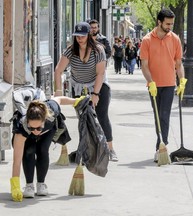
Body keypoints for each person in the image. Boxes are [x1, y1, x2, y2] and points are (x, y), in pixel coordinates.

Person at [54, 22, 118, 162]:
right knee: (83, 119)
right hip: (79, 87)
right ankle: (86, 149)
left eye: (82, 36)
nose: (79, 39)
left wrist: (95, 94)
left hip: (98, 85)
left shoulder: (98, 50)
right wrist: (58, 91)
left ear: (89, 34)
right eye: (77, 36)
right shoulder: (71, 50)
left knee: (101, 116)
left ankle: (110, 149)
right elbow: (58, 70)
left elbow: (100, 73)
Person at [10, 96, 81, 202]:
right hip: (27, 135)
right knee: (29, 151)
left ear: (44, 119)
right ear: (27, 123)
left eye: (38, 128)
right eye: (32, 128)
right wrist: (15, 186)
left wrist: (77, 101)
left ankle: (41, 184)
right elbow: (17, 161)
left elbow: (59, 99)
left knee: (42, 149)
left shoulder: (51, 110)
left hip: (48, 131)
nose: (35, 131)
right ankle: (29, 186)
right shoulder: (22, 127)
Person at [140, 8, 186, 162]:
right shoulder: (147, 40)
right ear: (159, 22)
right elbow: (144, 65)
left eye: (171, 24)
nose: (170, 27)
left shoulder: (175, 39)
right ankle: (161, 145)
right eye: (167, 24)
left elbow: (178, 63)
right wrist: (150, 82)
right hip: (153, 85)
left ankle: (161, 147)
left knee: (164, 115)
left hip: (168, 84)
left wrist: (182, 81)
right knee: (157, 116)